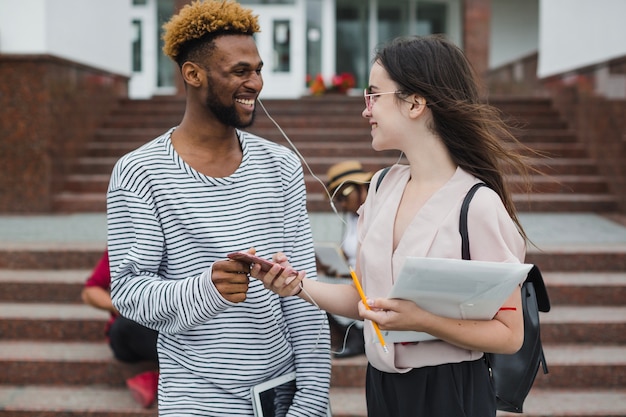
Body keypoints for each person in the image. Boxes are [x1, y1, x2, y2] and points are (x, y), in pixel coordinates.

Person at [256, 34, 534, 417]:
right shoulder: (384, 185)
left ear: (416, 103)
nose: (365, 110)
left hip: (450, 391)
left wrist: (424, 321)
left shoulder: (478, 204)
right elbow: (370, 302)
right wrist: (298, 285)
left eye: (374, 95)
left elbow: (509, 335)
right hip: (382, 384)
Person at [106, 1, 331, 416]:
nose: (256, 83)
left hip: (280, 392)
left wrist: (313, 398)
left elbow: (305, 295)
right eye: (240, 71)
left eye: (258, 69)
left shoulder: (280, 165)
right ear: (194, 74)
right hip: (195, 397)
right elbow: (129, 292)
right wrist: (207, 289)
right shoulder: (139, 172)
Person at [81, 250, 159, 408]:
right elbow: (90, 292)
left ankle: (160, 378)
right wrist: (118, 305)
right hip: (130, 332)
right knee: (128, 325)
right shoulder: (126, 244)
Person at [320, 160, 372, 358]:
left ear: (360, 188)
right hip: (349, 275)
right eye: (336, 199)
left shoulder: (376, 213)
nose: (341, 203)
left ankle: (358, 336)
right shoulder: (350, 218)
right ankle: (353, 334)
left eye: (343, 195)